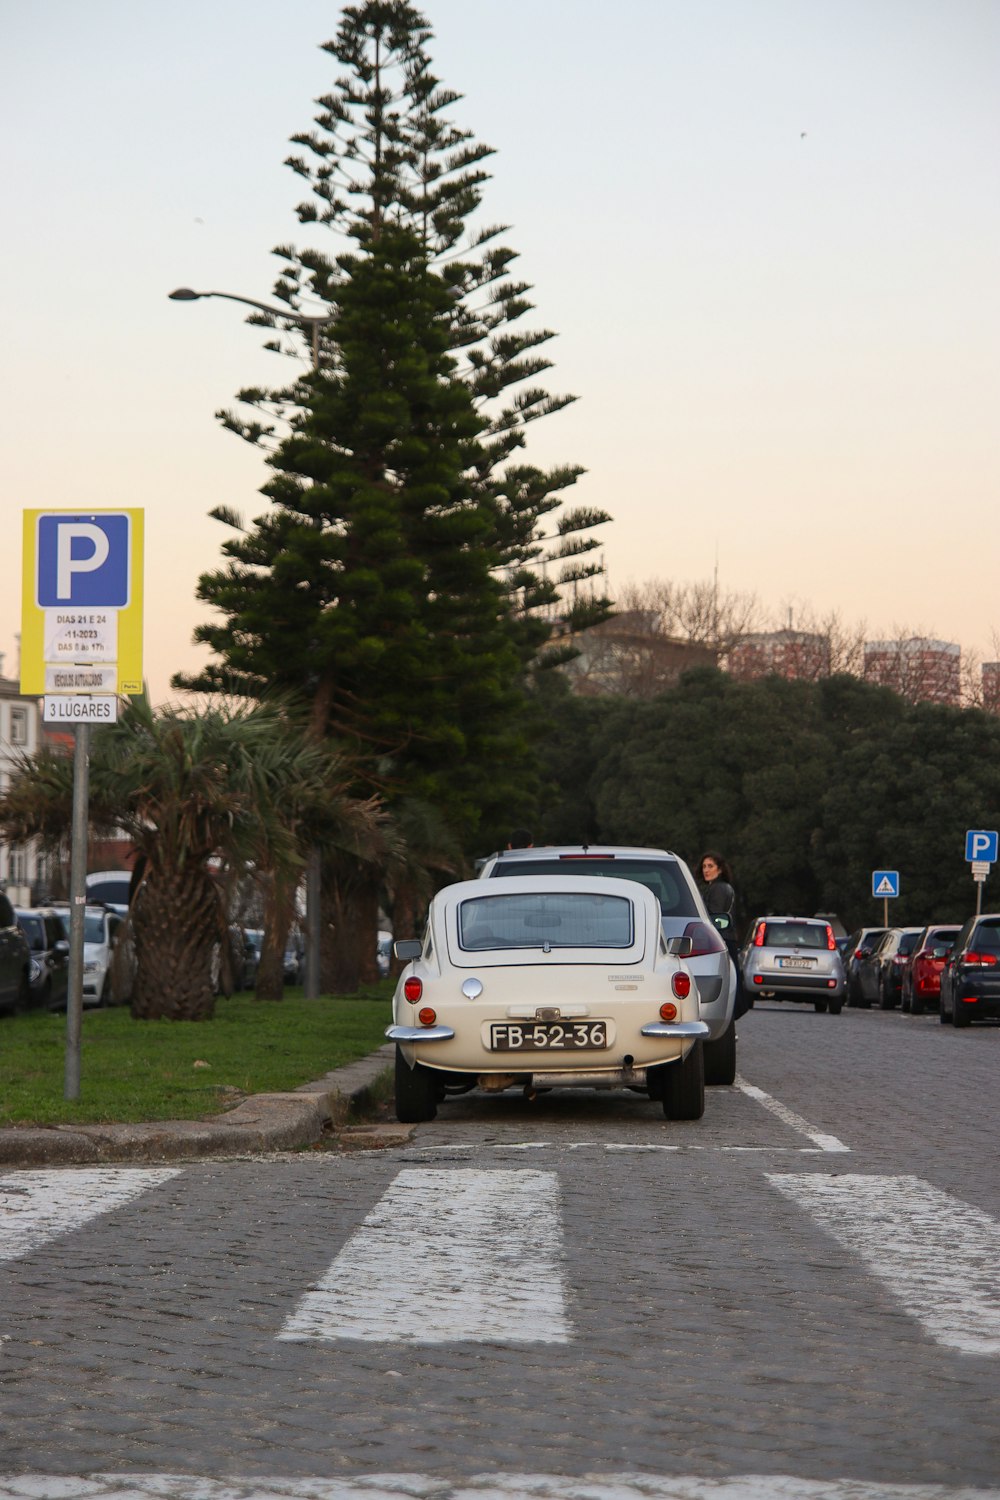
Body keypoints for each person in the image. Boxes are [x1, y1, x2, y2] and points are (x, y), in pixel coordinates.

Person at [696, 850, 750, 1018]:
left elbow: (715, 917)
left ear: (719, 869)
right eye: (704, 866)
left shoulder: (719, 888)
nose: (706, 870)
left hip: (722, 940)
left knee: (727, 987)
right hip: (723, 939)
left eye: (710, 866)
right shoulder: (714, 888)